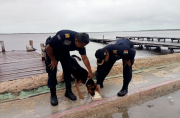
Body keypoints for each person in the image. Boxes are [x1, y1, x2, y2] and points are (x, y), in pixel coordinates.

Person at [45, 30, 93, 106]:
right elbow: (48, 48)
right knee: (52, 72)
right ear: (76, 40)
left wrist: (90, 71)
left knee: (68, 69)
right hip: (52, 51)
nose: (82, 47)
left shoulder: (81, 43)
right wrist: (53, 60)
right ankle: (53, 95)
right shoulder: (63, 36)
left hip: (64, 52)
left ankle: (68, 91)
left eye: (83, 46)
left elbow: (84, 58)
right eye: (81, 45)